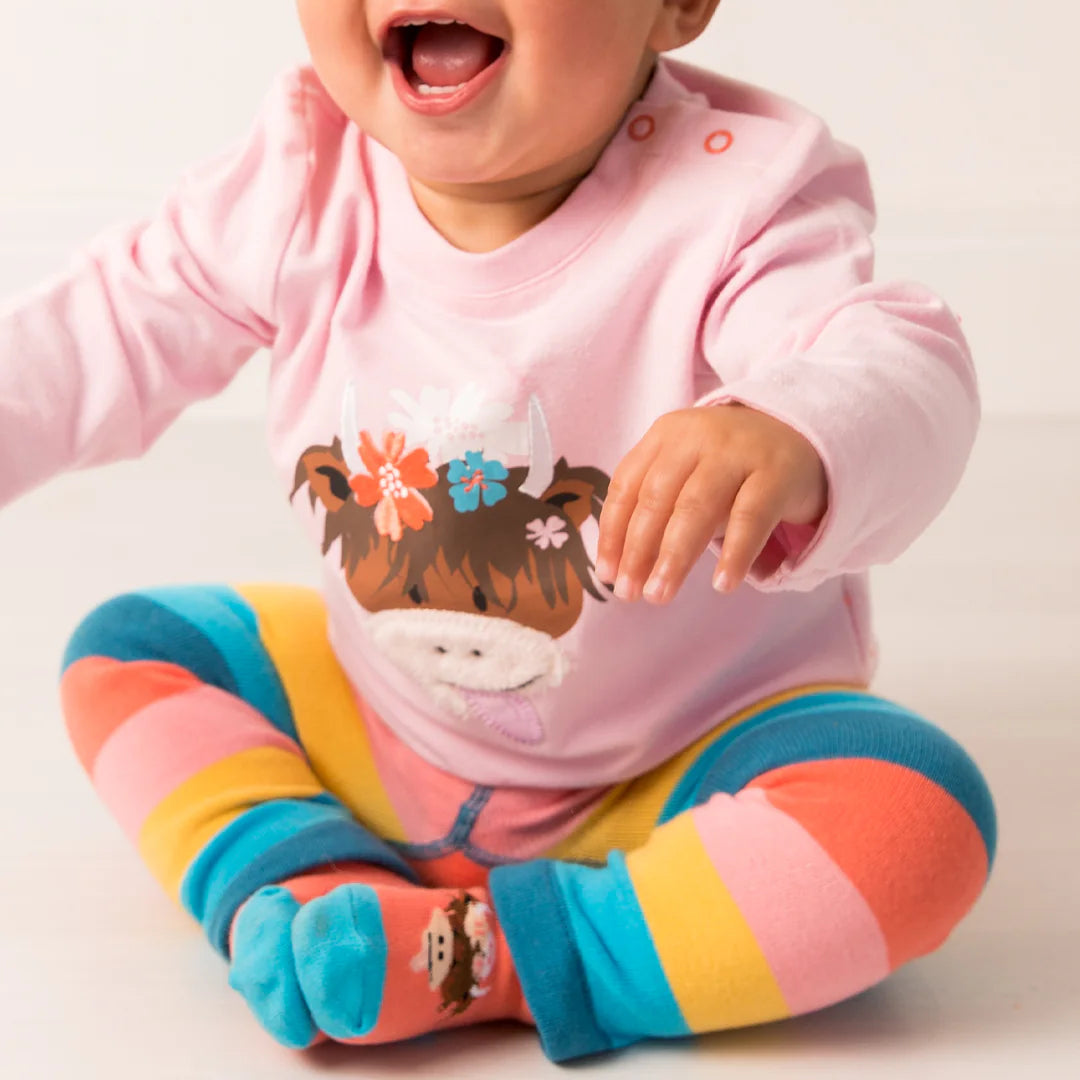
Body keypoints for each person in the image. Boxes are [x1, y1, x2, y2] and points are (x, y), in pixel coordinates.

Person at [0, 0, 996, 1062]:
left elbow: (897, 361)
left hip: (678, 770)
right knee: (138, 649)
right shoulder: (305, 178)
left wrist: (797, 427)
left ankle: (491, 955)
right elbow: (101, 329)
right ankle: (313, 883)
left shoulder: (735, 199)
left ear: (675, 6)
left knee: (916, 820)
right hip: (387, 731)